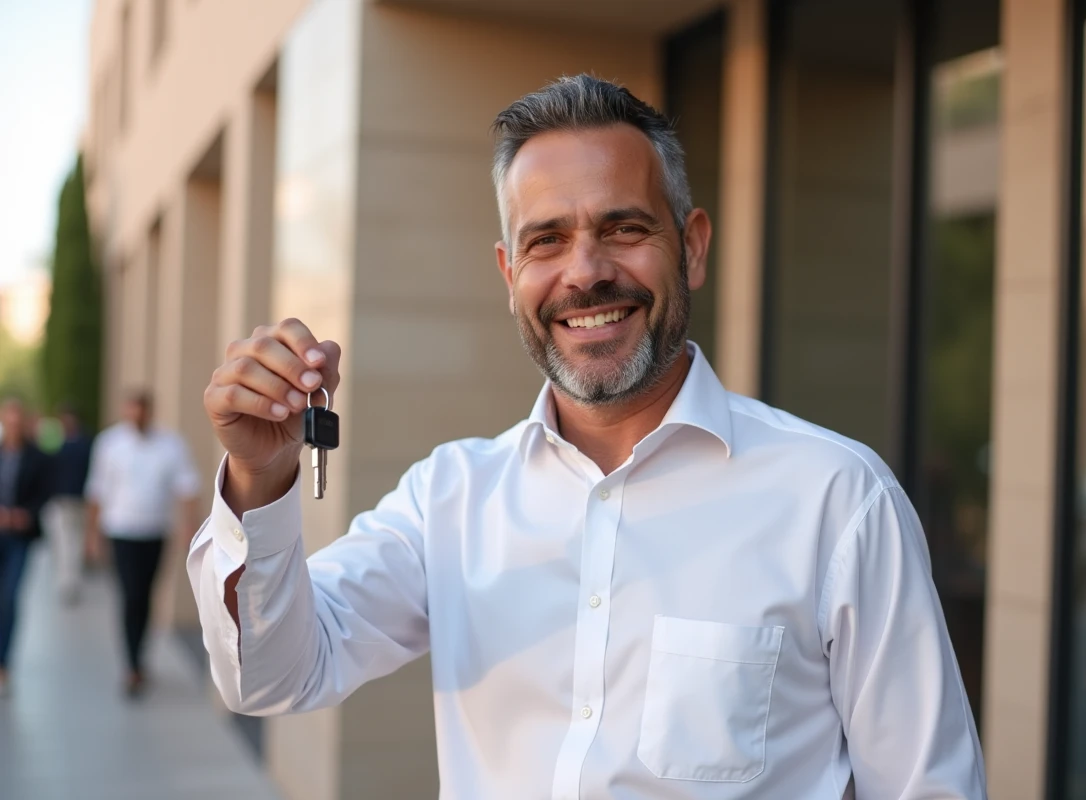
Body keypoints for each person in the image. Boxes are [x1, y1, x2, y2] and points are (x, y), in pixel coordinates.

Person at [189, 75, 986, 797]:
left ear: (693, 245)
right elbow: (272, 677)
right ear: (509, 276)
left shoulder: (838, 500)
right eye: (546, 240)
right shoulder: (450, 500)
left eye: (624, 226)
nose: (585, 272)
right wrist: (260, 479)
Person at [86, 390, 200, 696]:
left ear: (149, 411)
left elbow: (188, 486)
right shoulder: (110, 444)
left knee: (146, 596)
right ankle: (132, 665)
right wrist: (92, 535)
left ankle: (139, 656)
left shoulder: (170, 444)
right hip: (121, 531)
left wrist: (190, 526)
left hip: (155, 532)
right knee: (131, 595)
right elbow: (97, 491)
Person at [0, 397, 53, 697]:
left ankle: (3, 663)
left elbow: (44, 493)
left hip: (19, 538)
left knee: (8, 598)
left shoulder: (37, 458)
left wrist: (26, 514)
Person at [43, 403, 93, 604]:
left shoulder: (85, 443)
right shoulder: (56, 442)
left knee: (75, 543)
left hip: (79, 500)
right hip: (60, 500)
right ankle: (67, 582)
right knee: (63, 543)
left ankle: (72, 581)